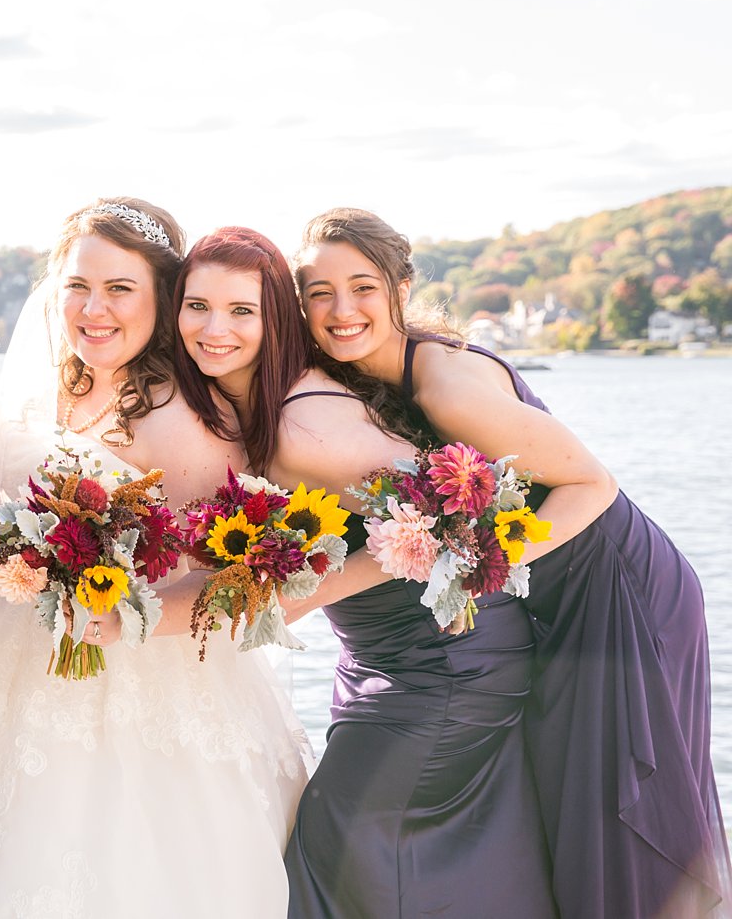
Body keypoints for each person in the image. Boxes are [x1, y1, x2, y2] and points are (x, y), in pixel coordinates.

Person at [291, 207, 730, 918]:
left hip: (617, 585)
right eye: (319, 292)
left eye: (363, 287)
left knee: (616, 813)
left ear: (400, 289)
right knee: (568, 805)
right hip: (554, 592)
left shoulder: (443, 387)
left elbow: (595, 485)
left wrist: (470, 563)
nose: (342, 310)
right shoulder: (365, 380)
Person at [0, 200, 311, 918]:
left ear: (161, 298)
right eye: (78, 286)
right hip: (16, 673)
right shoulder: (45, 388)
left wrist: (118, 610)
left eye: (121, 289)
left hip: (147, 695)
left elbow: (239, 579)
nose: (94, 309)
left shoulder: (183, 419)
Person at [174, 226, 555, 919]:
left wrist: (296, 600)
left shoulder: (306, 425)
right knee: (390, 878)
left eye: (241, 310)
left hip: (449, 665)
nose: (214, 328)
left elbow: (451, 520)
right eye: (196, 306)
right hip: (394, 662)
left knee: (330, 862)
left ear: (276, 319)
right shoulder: (262, 405)